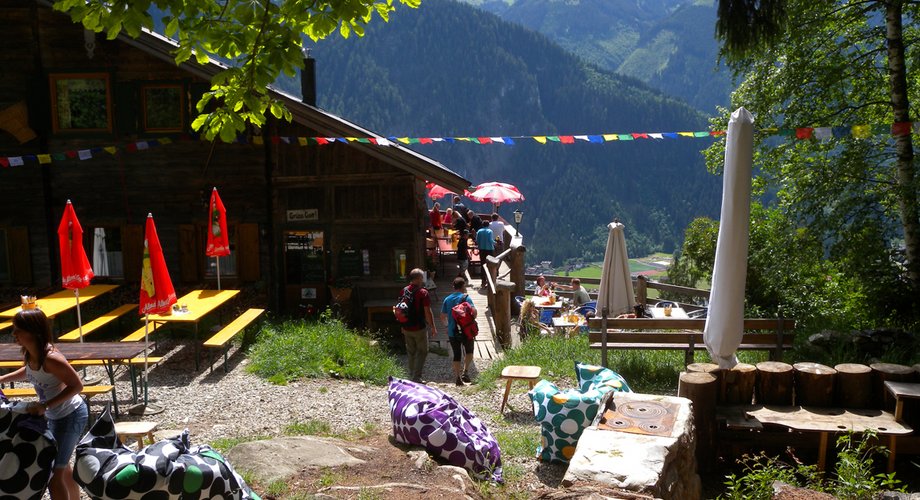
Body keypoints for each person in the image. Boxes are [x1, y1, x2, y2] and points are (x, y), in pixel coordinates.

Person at [0, 309, 87, 500]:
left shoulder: (51, 358)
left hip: (71, 415)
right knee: (62, 468)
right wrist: (2, 379)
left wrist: (45, 406)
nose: (14, 334)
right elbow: (29, 372)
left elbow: (77, 386)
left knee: (53, 476)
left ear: (33, 331)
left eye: (19, 330)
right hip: (54, 415)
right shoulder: (31, 353)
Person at [399, 268, 436, 383]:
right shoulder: (423, 292)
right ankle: (416, 377)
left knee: (411, 352)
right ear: (419, 278)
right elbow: (427, 311)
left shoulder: (404, 291)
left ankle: (411, 375)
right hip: (419, 327)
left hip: (406, 326)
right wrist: (433, 326)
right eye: (422, 277)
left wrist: (402, 324)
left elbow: (400, 309)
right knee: (423, 351)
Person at [441, 277, 477, 386]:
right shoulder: (466, 298)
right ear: (463, 286)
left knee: (457, 354)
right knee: (469, 351)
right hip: (467, 330)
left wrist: (447, 326)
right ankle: (465, 372)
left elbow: (442, 316)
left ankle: (457, 377)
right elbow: (474, 313)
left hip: (453, 331)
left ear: (453, 286)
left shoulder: (447, 299)